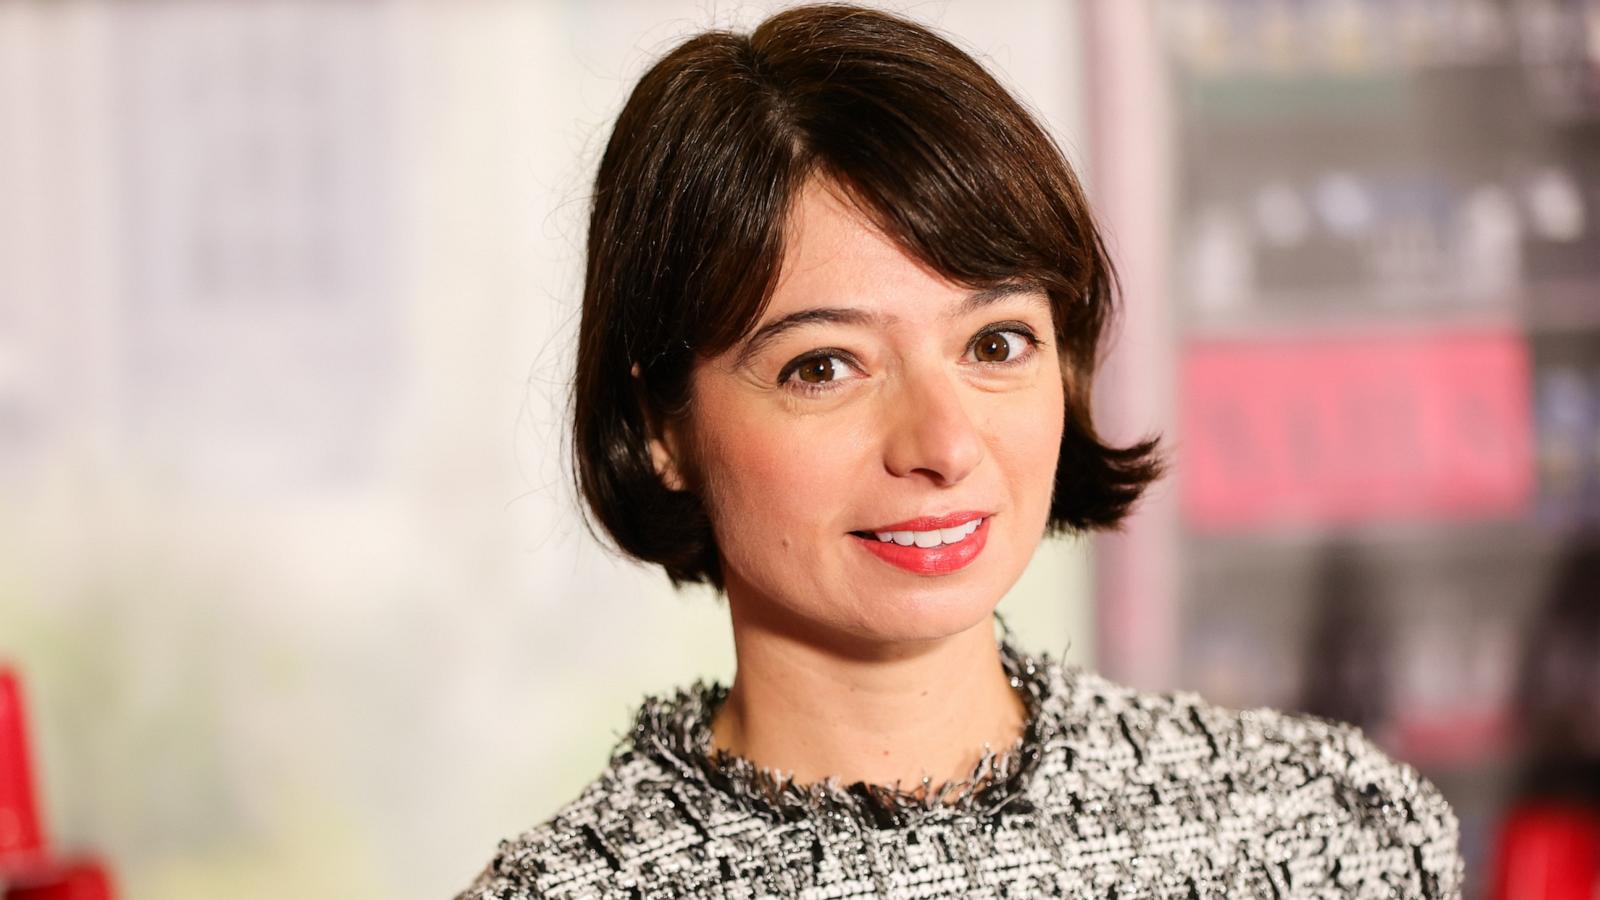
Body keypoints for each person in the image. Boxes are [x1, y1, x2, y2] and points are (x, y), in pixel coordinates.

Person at [455, 4, 1464, 897]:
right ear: (660, 428)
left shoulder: (1326, 830)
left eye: (993, 345)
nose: (940, 445)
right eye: (823, 367)